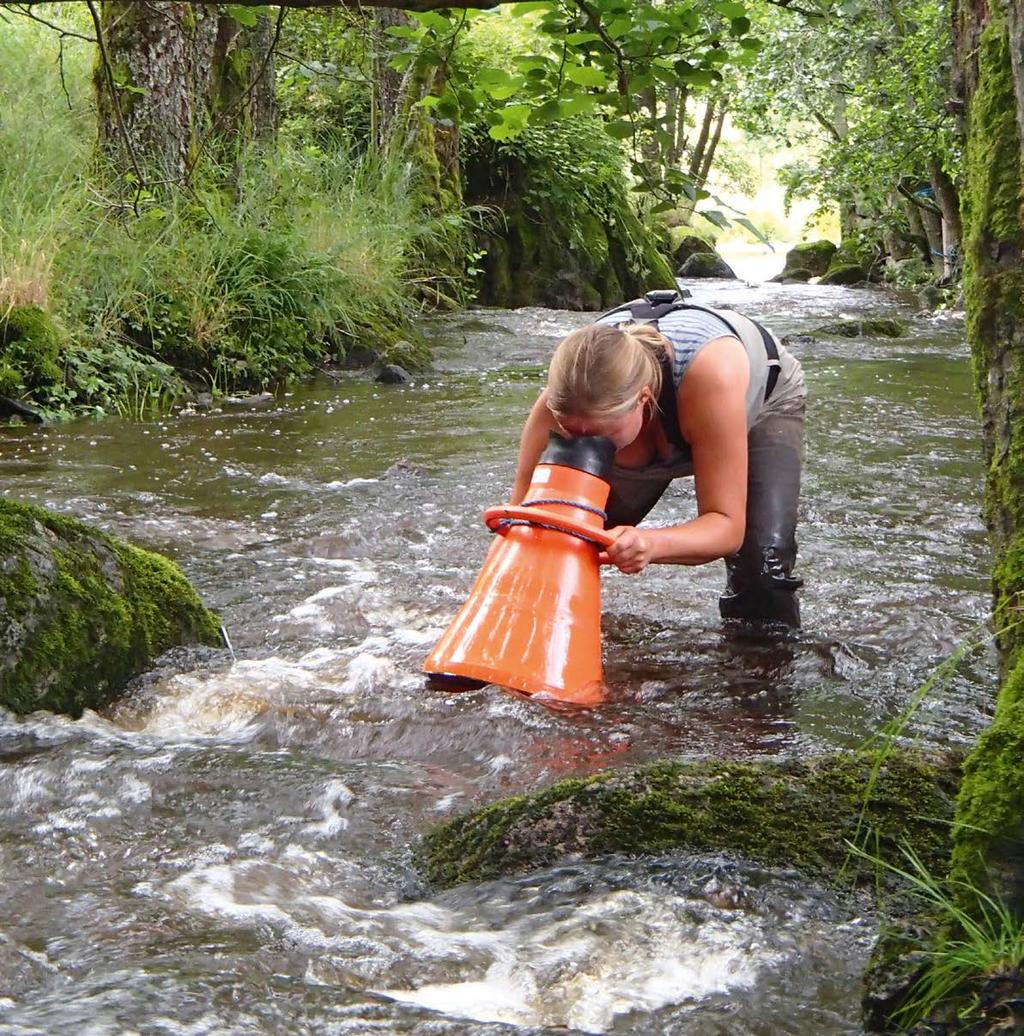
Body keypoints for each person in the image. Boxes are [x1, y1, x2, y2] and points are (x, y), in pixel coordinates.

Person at [511, 289, 807, 628]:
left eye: (599, 436)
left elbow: (726, 526)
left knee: (762, 571)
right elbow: (523, 529)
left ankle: (758, 669)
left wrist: (651, 543)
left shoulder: (711, 379)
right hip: (645, 410)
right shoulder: (561, 402)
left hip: (763, 399)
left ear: (644, 399)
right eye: (570, 432)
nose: (583, 445)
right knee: (555, 540)